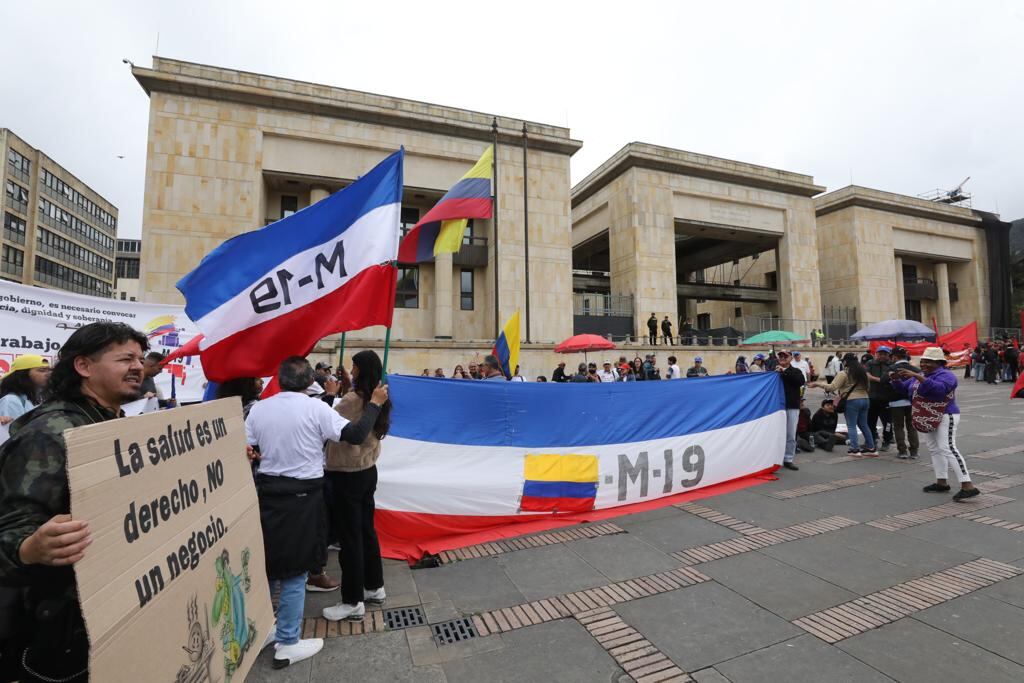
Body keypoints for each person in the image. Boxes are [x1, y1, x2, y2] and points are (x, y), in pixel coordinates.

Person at [0, 322, 148, 683]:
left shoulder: (111, 424)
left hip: (103, 617)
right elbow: (10, 532)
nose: (138, 367)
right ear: (83, 366)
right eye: (126, 358)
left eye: (141, 359)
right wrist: (31, 547)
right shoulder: (49, 435)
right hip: (56, 633)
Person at [246, 356, 388, 667]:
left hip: (270, 492)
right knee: (297, 571)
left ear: (280, 380)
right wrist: (375, 404)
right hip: (304, 494)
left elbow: (247, 446)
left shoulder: (260, 409)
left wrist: (254, 452)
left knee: (270, 565)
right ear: (310, 379)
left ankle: (265, 628)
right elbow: (353, 434)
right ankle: (286, 640)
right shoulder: (316, 408)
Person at [322, 351, 392, 622]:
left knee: (349, 538)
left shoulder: (353, 401)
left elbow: (327, 423)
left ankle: (352, 601)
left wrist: (332, 396)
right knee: (365, 531)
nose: (350, 370)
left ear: (361, 370)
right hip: (366, 471)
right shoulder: (380, 396)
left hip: (346, 474)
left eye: (354, 366)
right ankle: (374, 587)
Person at [893, 347, 977, 501]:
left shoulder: (947, 375)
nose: (924, 364)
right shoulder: (921, 375)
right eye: (923, 361)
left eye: (929, 362)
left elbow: (939, 390)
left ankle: (967, 485)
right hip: (926, 416)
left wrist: (917, 376)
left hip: (946, 414)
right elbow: (904, 390)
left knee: (948, 448)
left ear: (939, 362)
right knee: (934, 449)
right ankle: (941, 482)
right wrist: (895, 379)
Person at [809, 353, 875, 455]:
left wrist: (817, 384)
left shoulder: (844, 373)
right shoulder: (863, 373)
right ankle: (871, 448)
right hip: (865, 399)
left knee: (851, 425)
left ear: (845, 362)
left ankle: (854, 449)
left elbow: (832, 387)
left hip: (852, 400)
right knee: (864, 424)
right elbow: (868, 388)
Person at [775, 350, 805, 470]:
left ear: (790, 358)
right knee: (776, 433)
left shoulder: (796, 371)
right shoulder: (774, 372)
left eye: (785, 356)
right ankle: (775, 458)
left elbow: (800, 381)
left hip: (791, 406)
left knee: (791, 434)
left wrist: (785, 371)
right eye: (780, 356)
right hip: (777, 407)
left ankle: (788, 458)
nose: (782, 358)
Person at [887, 347, 919, 459]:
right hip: (912, 402)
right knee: (912, 426)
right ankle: (914, 451)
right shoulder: (915, 369)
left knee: (898, 426)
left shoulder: (891, 368)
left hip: (896, 402)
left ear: (895, 357)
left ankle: (902, 451)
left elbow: (883, 381)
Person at [0, 354, 50, 423]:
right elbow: (10, 432)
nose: (48, 374)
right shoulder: (11, 400)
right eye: (42, 370)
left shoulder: (33, 399)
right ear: (24, 374)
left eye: (49, 370)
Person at [865, 346, 895, 451]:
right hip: (872, 397)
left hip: (886, 398)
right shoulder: (870, 363)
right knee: (870, 421)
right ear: (876, 354)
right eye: (880, 353)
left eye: (885, 354)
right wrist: (880, 380)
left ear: (888, 355)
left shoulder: (892, 365)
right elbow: (867, 375)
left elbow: (893, 378)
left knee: (887, 422)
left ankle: (887, 440)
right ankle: (872, 439)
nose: (882, 356)